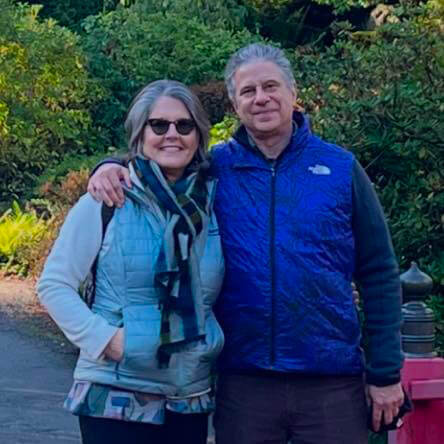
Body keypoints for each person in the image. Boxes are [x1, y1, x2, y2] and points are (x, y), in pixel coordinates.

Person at [88, 44, 404, 444]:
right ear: (235, 104)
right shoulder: (213, 170)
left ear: (293, 93)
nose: (261, 98)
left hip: (331, 383)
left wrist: (386, 373)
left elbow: (378, 272)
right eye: (248, 91)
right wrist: (110, 166)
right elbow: (160, 162)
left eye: (271, 86)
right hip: (243, 384)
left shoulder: (340, 169)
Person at [38, 80, 225, 444]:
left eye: (184, 125)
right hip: (114, 391)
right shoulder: (107, 199)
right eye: (159, 125)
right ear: (140, 135)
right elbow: (54, 284)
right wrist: (106, 340)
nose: (172, 134)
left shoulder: (214, 205)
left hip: (188, 394)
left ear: (198, 136)